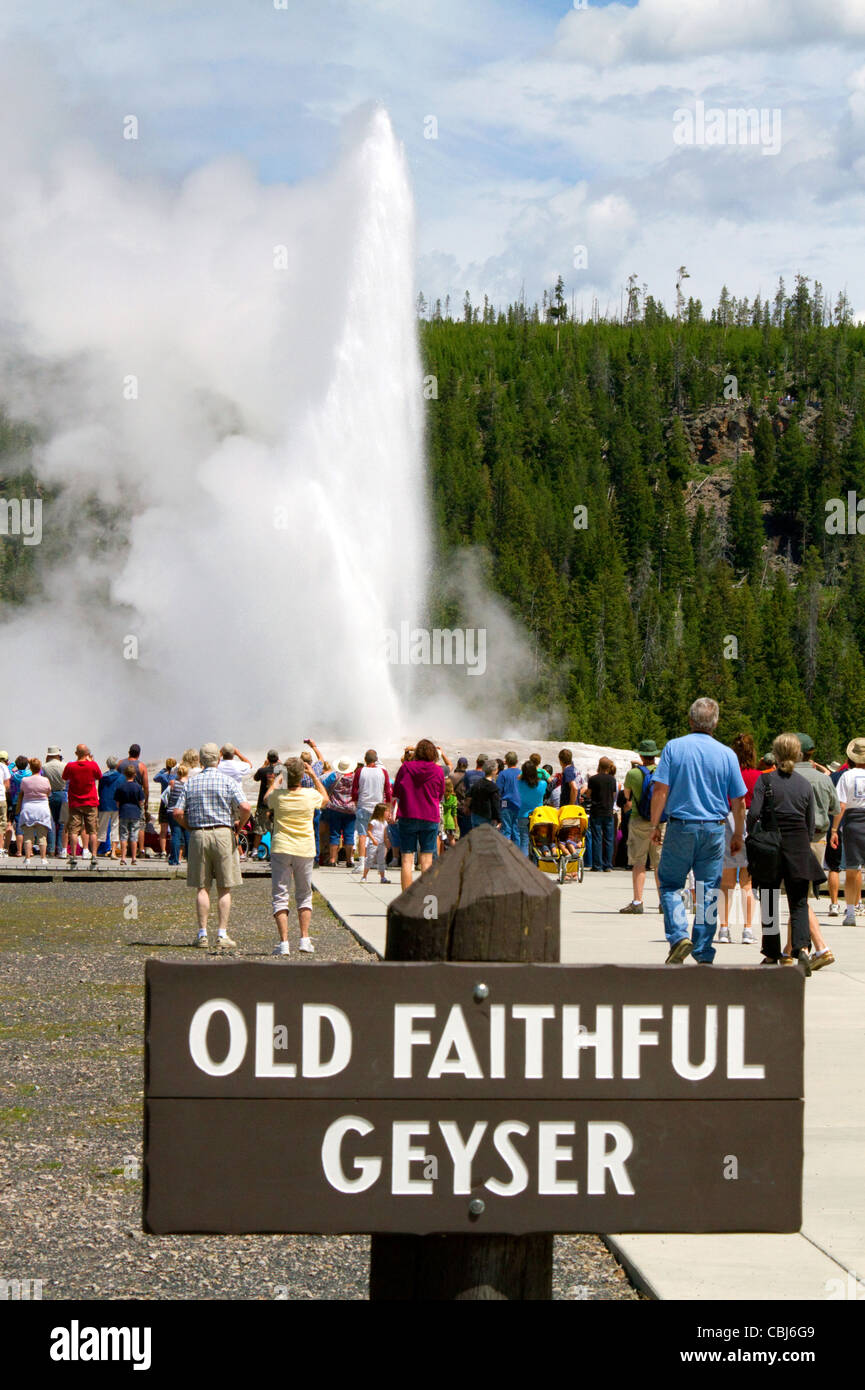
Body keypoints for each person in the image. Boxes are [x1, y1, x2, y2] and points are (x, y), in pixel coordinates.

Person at [650, 698, 746, 965]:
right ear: (715, 724)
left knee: (670, 884)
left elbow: (660, 790)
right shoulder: (727, 754)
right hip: (714, 829)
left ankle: (679, 935)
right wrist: (738, 834)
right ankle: (703, 950)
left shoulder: (674, 748)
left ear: (690, 720)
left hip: (681, 825)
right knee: (710, 891)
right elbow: (739, 801)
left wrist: (656, 824)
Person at [747, 733, 824, 972]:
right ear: (798, 754)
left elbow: (753, 814)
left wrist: (754, 835)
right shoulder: (804, 784)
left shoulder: (765, 781)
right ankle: (800, 949)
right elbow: (810, 822)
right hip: (799, 845)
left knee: (769, 898)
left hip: (771, 844)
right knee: (799, 901)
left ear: (776, 754)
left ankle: (771, 952)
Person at [171, 742, 250, 949]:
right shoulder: (228, 781)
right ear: (219, 759)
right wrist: (239, 827)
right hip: (223, 832)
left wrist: (190, 828)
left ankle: (202, 933)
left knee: (202, 886)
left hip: (199, 834)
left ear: (200, 759)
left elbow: (177, 812)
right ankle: (222, 933)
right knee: (225, 887)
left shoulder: (191, 782)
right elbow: (245, 807)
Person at [266, 757, 329, 956]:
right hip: (305, 848)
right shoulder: (310, 794)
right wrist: (314, 776)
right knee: (304, 894)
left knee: (280, 894)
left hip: (282, 847)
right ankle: (304, 938)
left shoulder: (278, 795)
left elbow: (266, 799)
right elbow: (325, 800)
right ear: (302, 775)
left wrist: (278, 779)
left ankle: (284, 942)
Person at [717, 733, 763, 945]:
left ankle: (724, 929)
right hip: (751, 826)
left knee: (726, 883)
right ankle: (747, 930)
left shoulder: (726, 773)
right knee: (747, 883)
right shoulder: (759, 776)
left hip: (728, 824)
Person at [392, 739, 446, 892]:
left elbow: (396, 792)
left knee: (407, 860)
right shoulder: (438, 771)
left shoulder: (406, 768)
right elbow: (440, 794)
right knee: (427, 861)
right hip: (429, 816)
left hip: (408, 814)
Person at [620, 740, 665, 914]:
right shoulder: (663, 771)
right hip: (659, 822)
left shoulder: (633, 774)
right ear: (654, 755)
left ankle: (638, 901)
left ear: (640, 755)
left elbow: (627, 796)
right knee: (659, 863)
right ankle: (663, 903)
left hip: (639, 819)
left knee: (639, 862)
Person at [830, 738, 865, 927]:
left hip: (853, 822)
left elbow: (841, 805)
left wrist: (834, 828)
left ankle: (851, 911)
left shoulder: (847, 776)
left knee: (852, 870)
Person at [351, 750, 393, 873]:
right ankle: (378, 862)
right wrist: (389, 808)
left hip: (363, 806)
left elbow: (354, 790)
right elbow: (388, 791)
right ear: (376, 759)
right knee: (379, 835)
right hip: (378, 807)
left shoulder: (360, 771)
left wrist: (356, 803)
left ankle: (362, 863)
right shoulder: (383, 772)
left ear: (365, 759)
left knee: (363, 835)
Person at [62, 745, 102, 867]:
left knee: (73, 830)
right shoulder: (93, 765)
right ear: (88, 754)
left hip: (75, 803)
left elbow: (64, 777)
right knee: (93, 831)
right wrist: (91, 761)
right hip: (90, 802)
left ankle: (73, 856)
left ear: (76, 753)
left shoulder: (70, 766)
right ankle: (94, 856)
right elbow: (99, 776)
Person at [15, 758, 53, 865]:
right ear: (40, 767)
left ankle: (27, 858)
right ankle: (43, 858)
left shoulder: (25, 780)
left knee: (28, 836)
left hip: (28, 809)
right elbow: (48, 793)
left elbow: (22, 792)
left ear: (30, 768)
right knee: (42, 836)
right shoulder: (45, 780)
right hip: (42, 809)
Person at [117, 744, 149, 857]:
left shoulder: (120, 763)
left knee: (123, 827)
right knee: (139, 825)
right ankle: (140, 850)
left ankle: (124, 852)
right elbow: (146, 786)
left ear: (129, 752)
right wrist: (146, 802)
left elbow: (116, 779)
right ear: (139, 754)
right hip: (137, 798)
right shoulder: (141, 766)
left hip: (122, 798)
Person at [586, 756, 617, 872]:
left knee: (597, 838)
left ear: (599, 765)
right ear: (609, 767)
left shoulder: (593, 779)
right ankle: (608, 865)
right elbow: (614, 795)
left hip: (596, 811)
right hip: (608, 811)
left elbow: (588, 794)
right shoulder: (612, 780)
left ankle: (597, 865)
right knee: (609, 839)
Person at [325, 760, 358, 868]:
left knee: (334, 834)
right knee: (349, 835)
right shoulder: (355, 777)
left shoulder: (334, 776)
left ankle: (333, 859)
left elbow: (323, 785)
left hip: (335, 808)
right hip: (350, 809)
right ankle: (349, 860)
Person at [252, 750, 283, 856]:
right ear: (278, 758)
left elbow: (255, 778)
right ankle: (274, 851)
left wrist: (264, 765)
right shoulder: (282, 771)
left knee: (259, 828)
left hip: (263, 804)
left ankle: (255, 851)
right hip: (276, 804)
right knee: (275, 829)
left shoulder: (262, 771)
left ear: (268, 758)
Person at [115, 762, 145, 866]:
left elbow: (117, 802)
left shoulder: (121, 787)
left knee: (123, 836)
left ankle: (123, 858)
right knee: (133, 836)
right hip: (135, 813)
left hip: (124, 812)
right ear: (135, 774)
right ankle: (133, 858)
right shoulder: (138, 787)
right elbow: (141, 802)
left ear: (124, 774)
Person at [518, 759, 546, 856]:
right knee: (538, 843)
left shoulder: (519, 784)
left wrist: (522, 775)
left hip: (523, 814)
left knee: (524, 842)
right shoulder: (543, 784)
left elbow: (519, 778)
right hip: (537, 816)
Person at [42, 747, 66, 856]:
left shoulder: (44, 767)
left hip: (50, 794)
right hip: (62, 793)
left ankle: (51, 849)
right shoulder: (64, 765)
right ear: (58, 755)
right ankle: (60, 849)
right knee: (62, 823)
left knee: (51, 823)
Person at [98, 756, 122, 859]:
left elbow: (100, 790)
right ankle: (113, 853)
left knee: (102, 829)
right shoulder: (121, 777)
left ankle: (94, 852)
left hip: (104, 804)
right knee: (115, 828)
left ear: (108, 765)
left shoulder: (103, 777)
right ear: (116, 765)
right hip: (116, 805)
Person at [165, 764, 190, 865]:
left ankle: (174, 859)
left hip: (172, 810)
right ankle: (189, 857)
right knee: (187, 834)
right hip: (185, 811)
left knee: (175, 834)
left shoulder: (173, 783)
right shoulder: (189, 784)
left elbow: (167, 796)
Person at [361, 803, 391, 883]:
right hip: (373, 844)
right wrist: (373, 840)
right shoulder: (374, 821)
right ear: (381, 812)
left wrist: (386, 842)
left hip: (381, 844)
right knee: (369, 859)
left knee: (381, 861)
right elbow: (369, 831)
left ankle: (383, 877)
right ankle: (364, 876)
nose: (388, 813)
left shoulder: (385, 823)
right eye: (387, 811)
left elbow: (384, 834)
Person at [496, 752, 522, 846]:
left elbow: (498, 791)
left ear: (506, 762)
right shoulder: (521, 773)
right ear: (517, 761)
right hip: (519, 804)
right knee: (516, 831)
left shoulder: (502, 774)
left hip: (505, 803)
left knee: (506, 830)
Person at [153, 758, 177, 858]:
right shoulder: (176, 776)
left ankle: (163, 851)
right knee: (173, 830)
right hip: (174, 803)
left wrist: (164, 770)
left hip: (164, 804)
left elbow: (155, 778)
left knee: (163, 830)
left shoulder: (163, 776)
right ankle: (172, 851)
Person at [469, 759, 501, 830]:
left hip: (475, 814)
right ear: (494, 771)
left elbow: (469, 796)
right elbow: (495, 805)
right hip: (487, 817)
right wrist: (498, 819)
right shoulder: (493, 787)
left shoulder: (477, 783)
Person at [441, 779, 459, 850]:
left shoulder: (441, 797)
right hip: (450, 822)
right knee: (452, 840)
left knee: (441, 841)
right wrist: (456, 824)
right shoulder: (454, 798)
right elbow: (454, 813)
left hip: (441, 821)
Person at [0, 752, 9, 856]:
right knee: (1, 824)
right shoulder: (3, 767)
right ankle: (0, 848)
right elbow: (7, 785)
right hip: (1, 798)